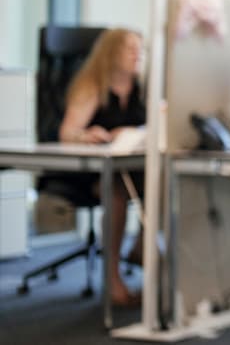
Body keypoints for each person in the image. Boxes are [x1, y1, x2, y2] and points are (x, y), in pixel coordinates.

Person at [58, 27, 146, 308]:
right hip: (91, 171)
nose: (137, 55)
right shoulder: (93, 85)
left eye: (139, 49)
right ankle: (113, 278)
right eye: (130, 49)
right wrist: (86, 135)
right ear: (111, 53)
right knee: (117, 190)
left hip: (132, 166)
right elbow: (67, 133)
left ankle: (142, 246)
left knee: (164, 181)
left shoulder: (141, 88)